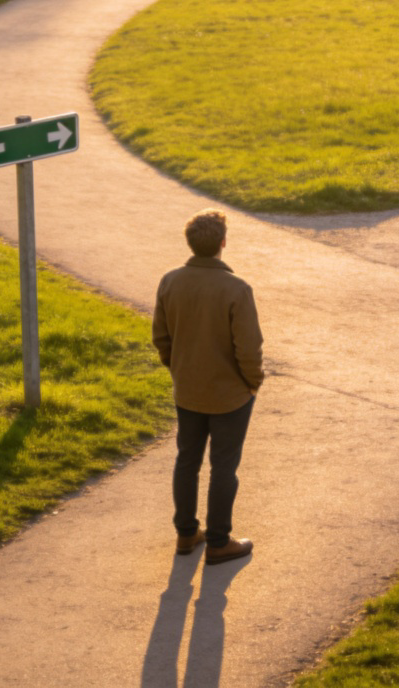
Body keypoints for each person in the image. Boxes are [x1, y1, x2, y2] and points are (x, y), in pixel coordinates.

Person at [152, 208, 264, 565]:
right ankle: (218, 541)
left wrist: (178, 368)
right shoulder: (236, 288)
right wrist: (252, 383)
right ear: (222, 243)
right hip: (230, 395)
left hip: (187, 390)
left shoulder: (170, 280)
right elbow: (248, 348)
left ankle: (186, 535)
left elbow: (161, 336)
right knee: (223, 467)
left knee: (187, 460)